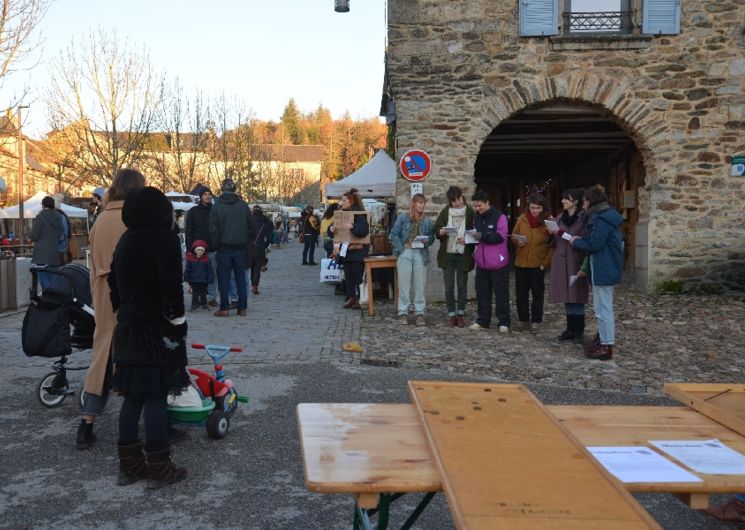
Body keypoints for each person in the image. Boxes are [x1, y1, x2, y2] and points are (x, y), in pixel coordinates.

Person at [108, 186, 188, 488]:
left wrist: (124, 310)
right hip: (157, 329)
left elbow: (113, 282)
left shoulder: (125, 239)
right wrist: (178, 325)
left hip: (128, 327)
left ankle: (129, 467)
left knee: (132, 397)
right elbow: (172, 290)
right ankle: (159, 467)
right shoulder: (164, 239)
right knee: (156, 396)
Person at [77, 169, 146, 450]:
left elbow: (92, 266)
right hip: (131, 295)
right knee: (143, 356)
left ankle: (86, 424)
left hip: (103, 295)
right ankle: (157, 422)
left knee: (102, 359)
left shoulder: (100, 218)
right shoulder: (135, 219)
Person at [570, 185, 623, 361]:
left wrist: (576, 241)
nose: (583, 205)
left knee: (603, 308)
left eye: (584, 201)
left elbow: (594, 244)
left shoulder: (601, 220)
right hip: (602, 265)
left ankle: (606, 345)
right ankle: (603, 339)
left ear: (590, 201)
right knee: (601, 307)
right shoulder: (601, 217)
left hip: (604, 267)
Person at [209, 178, 256, 317]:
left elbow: (213, 230)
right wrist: (244, 239)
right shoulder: (243, 205)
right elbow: (252, 227)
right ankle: (242, 308)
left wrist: (216, 244)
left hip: (224, 247)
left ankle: (224, 307)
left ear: (222, 190)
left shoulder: (216, 206)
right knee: (240, 278)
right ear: (235, 189)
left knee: (224, 278)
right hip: (240, 247)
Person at [547, 189, 588, 342]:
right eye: (563, 198)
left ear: (575, 201)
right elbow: (555, 240)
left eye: (566, 199)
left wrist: (559, 233)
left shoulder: (583, 219)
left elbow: (582, 239)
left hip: (575, 260)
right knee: (566, 295)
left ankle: (579, 331)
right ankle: (570, 329)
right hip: (560, 261)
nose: (563, 201)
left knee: (576, 295)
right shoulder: (559, 217)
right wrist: (550, 233)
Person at [432, 186, 475, 328]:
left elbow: (476, 232)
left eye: (458, 199)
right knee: (449, 286)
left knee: (462, 286)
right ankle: (451, 314)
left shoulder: (470, 212)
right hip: (448, 254)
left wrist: (468, 239)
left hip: (464, 254)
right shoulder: (445, 211)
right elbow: (437, 229)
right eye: (453, 201)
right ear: (450, 201)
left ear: (462, 197)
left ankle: (461, 314)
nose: (457, 203)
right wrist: (442, 231)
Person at [468, 190, 510, 333]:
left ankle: (504, 322)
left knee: (501, 294)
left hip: (498, 264)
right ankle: (483, 320)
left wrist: (481, 235)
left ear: (487, 203)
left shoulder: (500, 217)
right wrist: (467, 239)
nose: (477, 209)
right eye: (475, 206)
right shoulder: (477, 218)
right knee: (482, 293)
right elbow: (476, 237)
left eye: (479, 205)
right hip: (482, 263)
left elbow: (500, 236)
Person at [390, 193, 435, 326]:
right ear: (413, 203)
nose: (422, 206)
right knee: (403, 285)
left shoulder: (426, 221)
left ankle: (420, 312)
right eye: (420, 203)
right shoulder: (403, 218)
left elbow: (432, 238)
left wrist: (428, 240)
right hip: (405, 252)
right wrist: (401, 249)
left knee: (420, 285)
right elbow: (393, 234)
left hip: (420, 253)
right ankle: (402, 312)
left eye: (423, 203)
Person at [511, 193, 553, 331]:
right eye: (532, 207)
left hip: (537, 264)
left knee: (537, 294)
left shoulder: (548, 222)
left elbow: (552, 245)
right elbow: (513, 236)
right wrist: (518, 241)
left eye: (538, 208)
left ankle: (536, 320)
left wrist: (545, 263)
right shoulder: (522, 219)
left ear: (543, 208)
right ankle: (523, 320)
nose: (535, 211)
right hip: (521, 263)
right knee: (521, 294)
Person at [333, 188, 369, 309]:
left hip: (358, 252)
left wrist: (352, 226)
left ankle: (360, 298)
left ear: (351, 201)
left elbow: (363, 231)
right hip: (346, 251)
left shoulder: (360, 215)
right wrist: (332, 230)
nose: (342, 202)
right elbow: (338, 231)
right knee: (348, 277)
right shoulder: (342, 215)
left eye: (344, 200)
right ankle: (351, 297)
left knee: (358, 276)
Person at [185, 186, 218, 307]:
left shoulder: (215, 210)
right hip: (196, 249)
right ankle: (198, 297)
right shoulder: (193, 211)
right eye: (205, 194)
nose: (208, 196)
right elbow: (189, 230)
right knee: (197, 275)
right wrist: (189, 248)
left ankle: (211, 297)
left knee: (212, 273)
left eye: (209, 194)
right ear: (201, 196)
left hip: (212, 248)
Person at [30, 196, 64, 289]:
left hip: (41, 255)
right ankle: (55, 299)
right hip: (54, 253)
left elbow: (34, 235)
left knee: (44, 280)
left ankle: (48, 299)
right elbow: (61, 235)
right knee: (54, 279)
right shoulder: (59, 217)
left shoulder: (40, 217)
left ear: (43, 205)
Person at [247, 205, 272, 295]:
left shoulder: (248, 222)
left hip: (249, 249)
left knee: (250, 268)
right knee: (257, 268)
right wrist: (265, 245)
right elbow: (269, 238)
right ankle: (255, 286)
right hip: (260, 248)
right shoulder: (264, 224)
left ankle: (250, 284)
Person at [184, 240, 214, 311]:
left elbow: (210, 270)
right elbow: (188, 270)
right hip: (194, 280)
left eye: (202, 250)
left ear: (204, 251)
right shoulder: (190, 260)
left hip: (203, 280)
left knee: (203, 294)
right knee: (195, 294)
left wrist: (210, 279)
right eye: (198, 250)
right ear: (194, 250)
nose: (200, 251)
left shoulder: (206, 260)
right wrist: (186, 278)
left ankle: (204, 304)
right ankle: (194, 305)